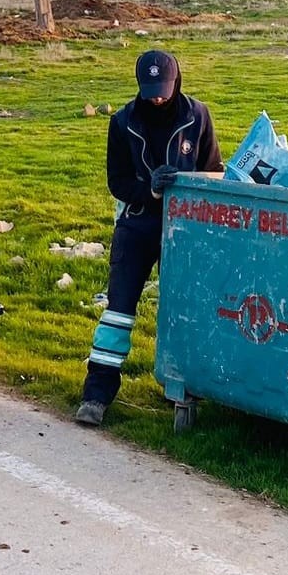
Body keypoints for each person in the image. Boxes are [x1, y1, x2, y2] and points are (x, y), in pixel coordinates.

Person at [75, 49, 222, 427]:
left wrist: (187, 190)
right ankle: (96, 395)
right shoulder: (123, 122)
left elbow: (214, 170)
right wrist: (151, 191)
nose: (157, 97)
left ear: (177, 82)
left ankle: (189, 392)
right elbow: (117, 181)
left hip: (186, 231)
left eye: (163, 89)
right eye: (150, 90)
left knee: (187, 310)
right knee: (118, 311)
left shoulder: (198, 116)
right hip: (137, 225)